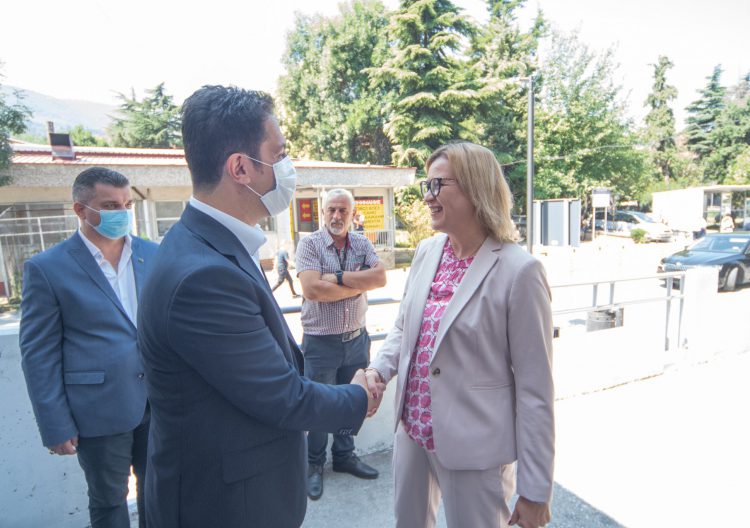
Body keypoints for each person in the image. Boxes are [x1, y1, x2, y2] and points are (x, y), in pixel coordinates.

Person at [137, 85, 382, 528]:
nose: (287, 168)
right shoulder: (202, 276)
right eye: (279, 154)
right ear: (241, 168)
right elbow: (281, 396)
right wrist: (359, 397)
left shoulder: (210, 244)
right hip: (226, 506)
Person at [365, 142, 555, 528]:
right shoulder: (427, 252)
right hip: (413, 432)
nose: (428, 196)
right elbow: (404, 327)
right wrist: (379, 370)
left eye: (438, 185)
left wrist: (536, 489)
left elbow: (535, 390)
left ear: (475, 188)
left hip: (476, 448)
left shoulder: (519, 271)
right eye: (427, 185)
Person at [19, 167, 158, 528]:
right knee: (109, 502)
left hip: (158, 403)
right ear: (80, 209)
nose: (122, 213)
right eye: (110, 206)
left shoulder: (153, 254)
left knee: (159, 494)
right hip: (98, 410)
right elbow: (39, 354)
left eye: (127, 204)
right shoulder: (47, 268)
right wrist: (54, 423)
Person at [295, 188, 386, 500]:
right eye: (331, 210)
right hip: (321, 342)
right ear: (323, 212)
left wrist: (334, 277)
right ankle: (314, 464)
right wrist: (356, 285)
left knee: (353, 400)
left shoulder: (361, 243)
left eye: (342, 211)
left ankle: (345, 456)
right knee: (319, 405)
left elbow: (380, 278)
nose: (336, 216)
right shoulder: (309, 244)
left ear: (352, 213)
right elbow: (312, 290)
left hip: (356, 339)